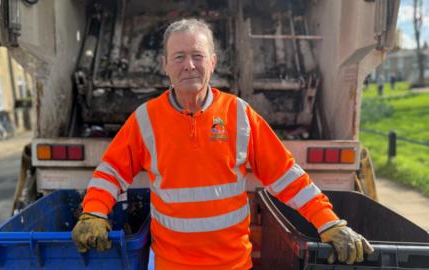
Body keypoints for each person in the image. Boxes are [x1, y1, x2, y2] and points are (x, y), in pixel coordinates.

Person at [72, 18, 374, 269]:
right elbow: (111, 171)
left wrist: (329, 223)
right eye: (179, 57)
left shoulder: (239, 114)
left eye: (197, 55)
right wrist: (94, 212)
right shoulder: (146, 120)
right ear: (165, 65)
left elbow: (286, 175)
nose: (189, 65)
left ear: (212, 62)